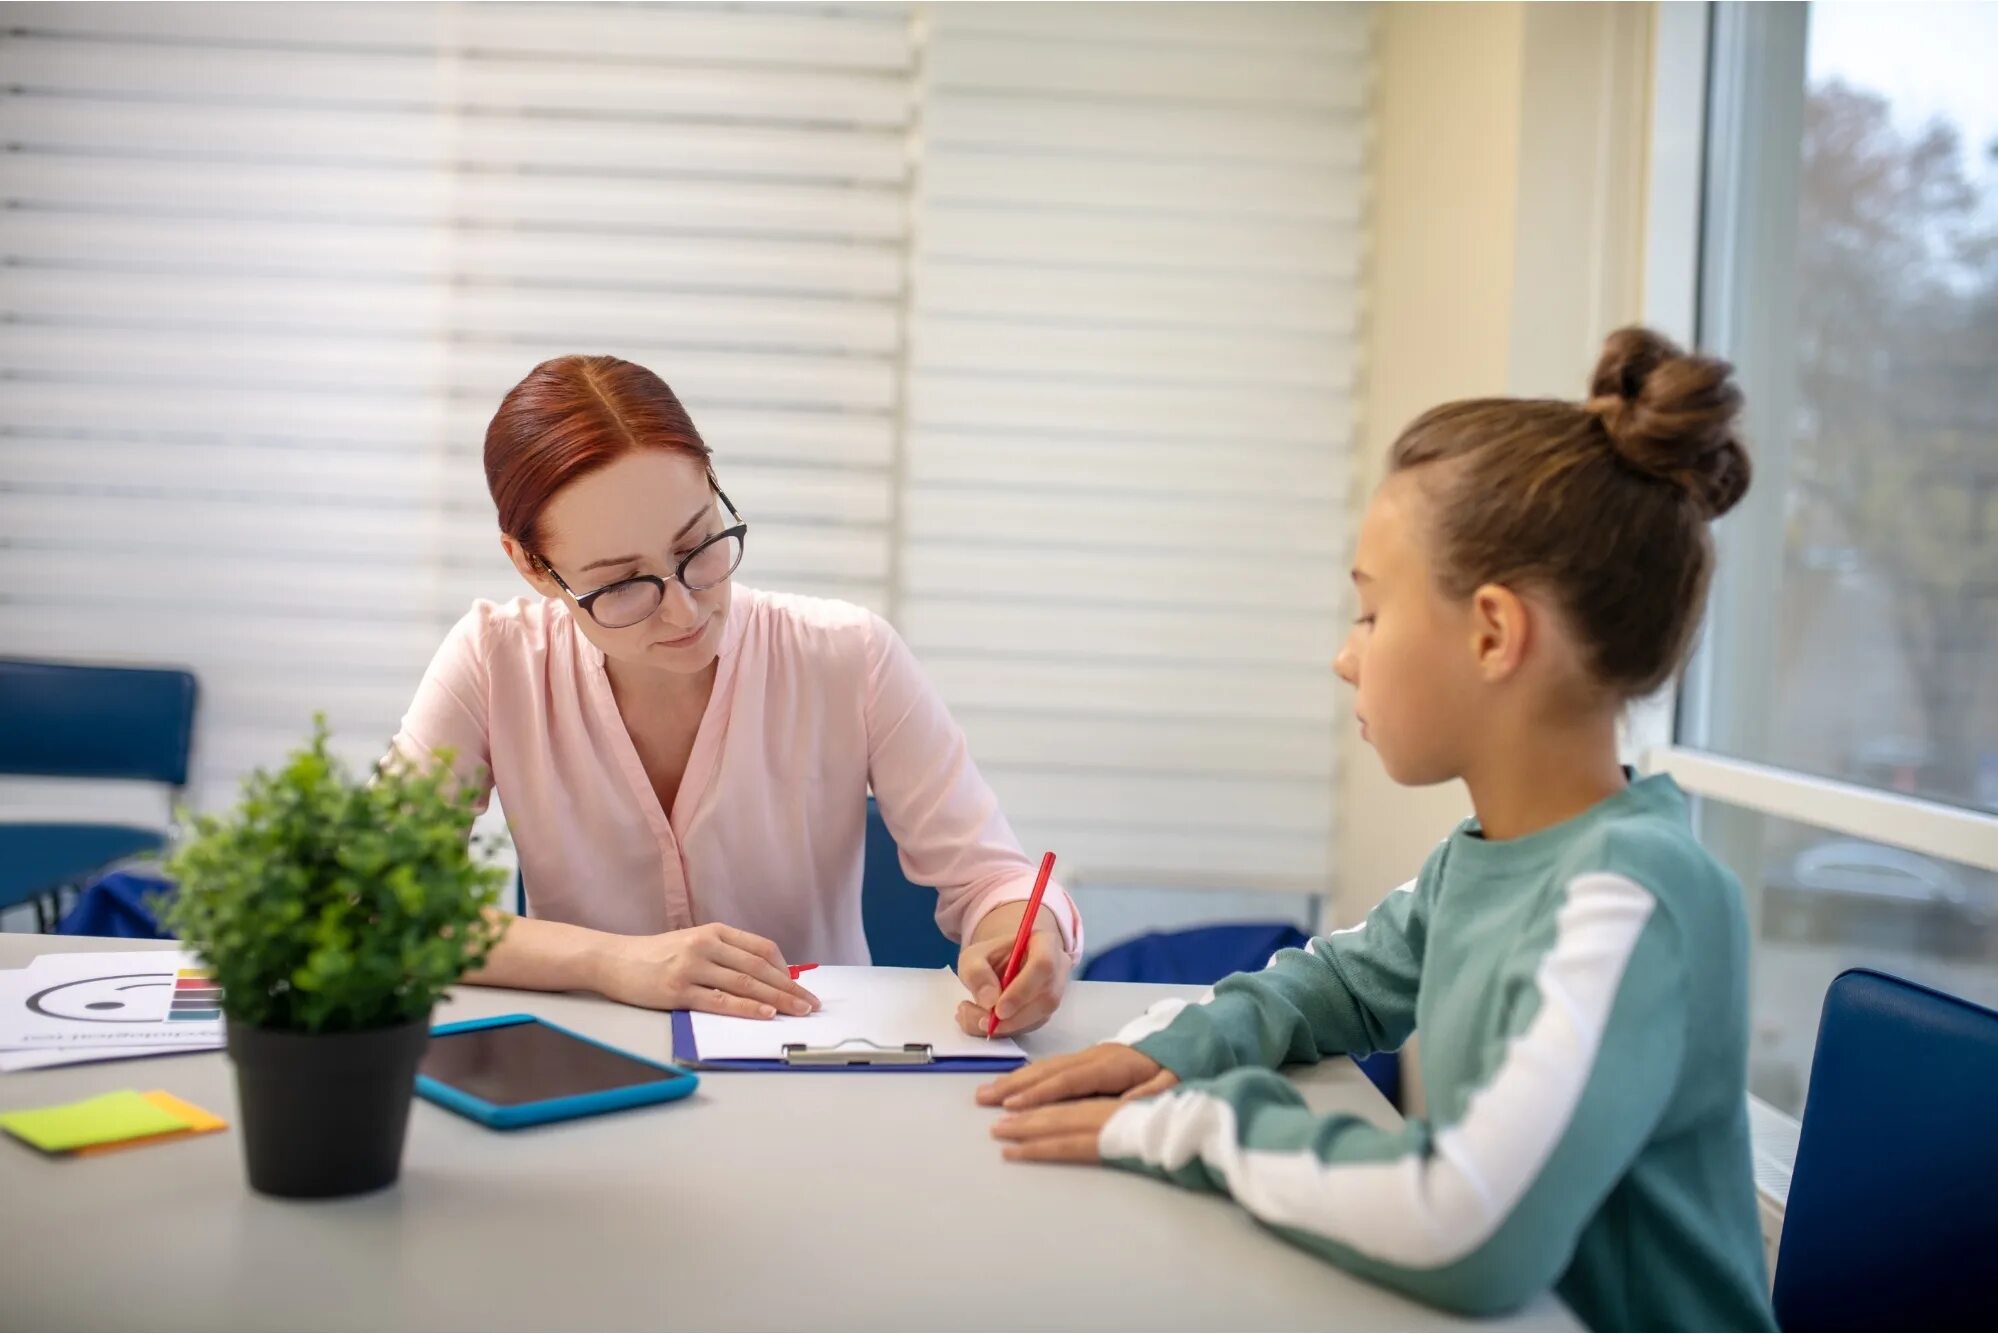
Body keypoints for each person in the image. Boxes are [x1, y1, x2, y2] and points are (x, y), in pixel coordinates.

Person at [978, 328, 1776, 1330]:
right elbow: (1343, 981)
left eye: (1370, 613)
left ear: (1492, 632)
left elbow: (1467, 1225)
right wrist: (1175, 1049)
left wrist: (1188, 1126)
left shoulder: (1635, 894)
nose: (1346, 658)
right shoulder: (1488, 856)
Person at [391, 355, 1081, 1035]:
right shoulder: (493, 662)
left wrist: (1026, 930)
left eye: (698, 548)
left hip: (817, 1066)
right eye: (623, 584)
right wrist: (614, 962)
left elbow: (992, 879)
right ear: (533, 566)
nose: (686, 614)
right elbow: (376, 901)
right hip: (586, 1062)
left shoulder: (849, 657)